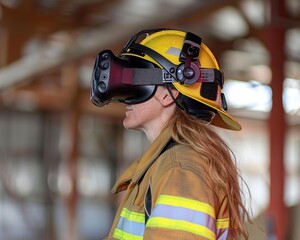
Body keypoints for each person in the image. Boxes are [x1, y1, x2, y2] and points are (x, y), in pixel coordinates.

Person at [90, 29, 250, 239]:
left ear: (168, 94)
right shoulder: (168, 165)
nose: (124, 98)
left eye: (135, 84)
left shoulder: (180, 169)